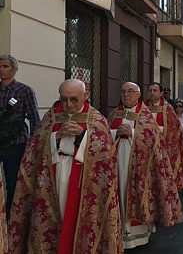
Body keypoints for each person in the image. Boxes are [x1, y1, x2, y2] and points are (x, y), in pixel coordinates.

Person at [9, 79, 122, 253]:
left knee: (76, 218)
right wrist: (56, 137)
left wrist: (83, 135)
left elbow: (106, 152)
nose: (68, 104)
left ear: (85, 95)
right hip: (52, 172)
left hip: (82, 177)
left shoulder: (96, 118)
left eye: (74, 99)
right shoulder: (51, 116)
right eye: (64, 99)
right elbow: (35, 147)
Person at [108, 82, 183, 249]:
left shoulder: (145, 115)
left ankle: (138, 234)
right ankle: (119, 232)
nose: (126, 95)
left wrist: (133, 133)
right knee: (118, 195)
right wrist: (115, 133)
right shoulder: (115, 114)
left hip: (140, 167)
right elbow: (104, 135)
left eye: (130, 92)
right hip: (116, 163)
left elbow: (155, 138)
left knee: (133, 194)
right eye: (123, 92)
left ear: (138, 95)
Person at [0, 54, 39, 219]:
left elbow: (34, 118)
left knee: (12, 183)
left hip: (15, 143)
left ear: (14, 69)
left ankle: (10, 219)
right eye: (0, 67)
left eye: (5, 66)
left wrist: (32, 144)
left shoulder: (24, 91)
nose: (1, 70)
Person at [145, 82, 183, 191]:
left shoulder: (168, 108)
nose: (152, 93)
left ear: (160, 93)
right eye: (150, 90)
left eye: (155, 91)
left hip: (163, 147)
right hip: (146, 148)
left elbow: (174, 130)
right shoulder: (143, 107)